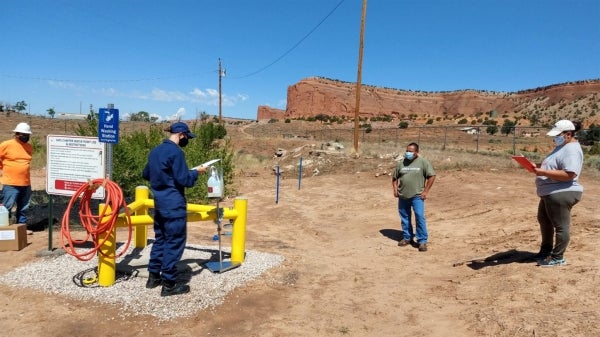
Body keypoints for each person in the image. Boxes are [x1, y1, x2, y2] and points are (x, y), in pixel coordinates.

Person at [142, 122, 207, 296]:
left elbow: (146, 174)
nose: (187, 140)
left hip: (159, 204)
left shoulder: (155, 151)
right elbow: (184, 180)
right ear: (182, 135)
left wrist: (163, 178)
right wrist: (196, 172)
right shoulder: (176, 152)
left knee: (161, 239)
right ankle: (169, 284)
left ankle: (153, 276)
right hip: (174, 205)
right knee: (174, 242)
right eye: (187, 137)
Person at [532, 120, 583, 267]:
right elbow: (554, 166)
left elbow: (569, 174)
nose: (555, 138)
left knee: (561, 226)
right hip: (551, 191)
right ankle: (546, 251)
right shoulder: (562, 147)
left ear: (568, 134)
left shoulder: (572, 149)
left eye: (558, 135)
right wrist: (537, 166)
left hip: (561, 192)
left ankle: (557, 257)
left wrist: (542, 172)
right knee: (544, 220)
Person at [392, 142, 436, 252]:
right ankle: (407, 237)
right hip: (403, 196)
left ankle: (422, 241)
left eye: (410, 151)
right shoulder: (401, 163)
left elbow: (432, 176)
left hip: (417, 196)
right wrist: (395, 189)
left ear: (416, 152)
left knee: (419, 217)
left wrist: (426, 191)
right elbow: (394, 177)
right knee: (405, 217)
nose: (408, 153)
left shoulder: (423, 162)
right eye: (407, 151)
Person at [0, 122, 33, 234]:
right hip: (10, 183)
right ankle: (4, 230)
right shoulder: (6, 145)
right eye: (23, 134)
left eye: (27, 134)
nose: (25, 136)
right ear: (17, 134)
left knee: (23, 208)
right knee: (6, 208)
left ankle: (21, 229)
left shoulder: (29, 147)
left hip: (26, 183)